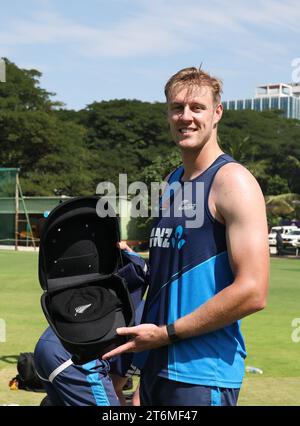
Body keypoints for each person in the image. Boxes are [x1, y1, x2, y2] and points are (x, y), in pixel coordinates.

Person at [103, 67, 269, 406]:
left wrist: (167, 334)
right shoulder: (173, 182)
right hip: (157, 371)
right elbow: (169, 277)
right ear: (167, 113)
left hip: (202, 374)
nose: (186, 116)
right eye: (177, 107)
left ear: (217, 112)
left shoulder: (232, 181)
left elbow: (253, 291)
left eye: (197, 107)